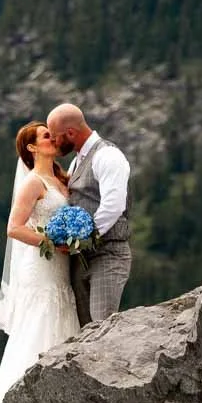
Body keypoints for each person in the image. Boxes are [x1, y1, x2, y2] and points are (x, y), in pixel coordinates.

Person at [0, 122, 81, 403]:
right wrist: (53, 241)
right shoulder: (33, 182)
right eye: (45, 136)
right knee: (40, 322)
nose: (52, 139)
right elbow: (14, 228)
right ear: (32, 148)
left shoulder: (60, 180)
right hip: (41, 267)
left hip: (62, 267)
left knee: (63, 314)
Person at [46, 103, 132, 325]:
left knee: (102, 325)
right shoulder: (76, 162)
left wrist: (82, 238)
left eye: (55, 137)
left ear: (71, 133)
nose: (53, 143)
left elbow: (113, 205)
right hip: (80, 260)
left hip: (107, 254)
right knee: (84, 330)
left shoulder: (108, 156)